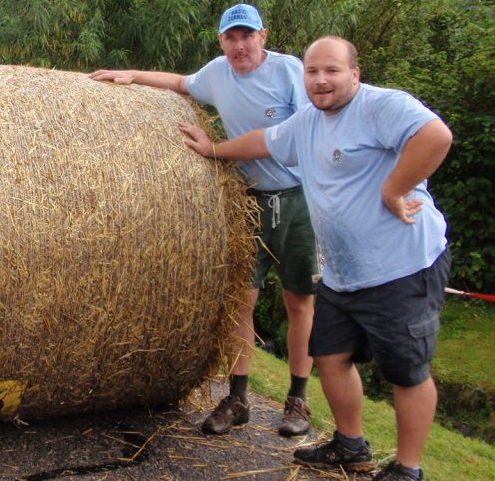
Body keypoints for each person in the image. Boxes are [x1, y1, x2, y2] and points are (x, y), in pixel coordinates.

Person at [179, 36, 452, 481]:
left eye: (332, 70)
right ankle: (350, 445)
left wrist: (394, 189)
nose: (321, 80)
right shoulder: (307, 122)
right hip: (344, 274)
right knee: (329, 355)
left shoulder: (381, 106)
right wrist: (211, 149)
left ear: (354, 74)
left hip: (401, 267)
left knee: (406, 372)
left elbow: (436, 135)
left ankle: (408, 467)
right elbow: (262, 141)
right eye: (312, 72)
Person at [89, 3, 317, 437]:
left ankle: (298, 402)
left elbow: (289, 139)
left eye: (247, 35)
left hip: (299, 199)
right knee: (241, 303)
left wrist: (216, 150)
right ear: (222, 42)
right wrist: (131, 75)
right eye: (231, 37)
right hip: (248, 201)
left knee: (298, 302)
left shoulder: (290, 72)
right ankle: (237, 399)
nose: (239, 45)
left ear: (263, 36)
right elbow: (180, 83)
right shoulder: (218, 72)